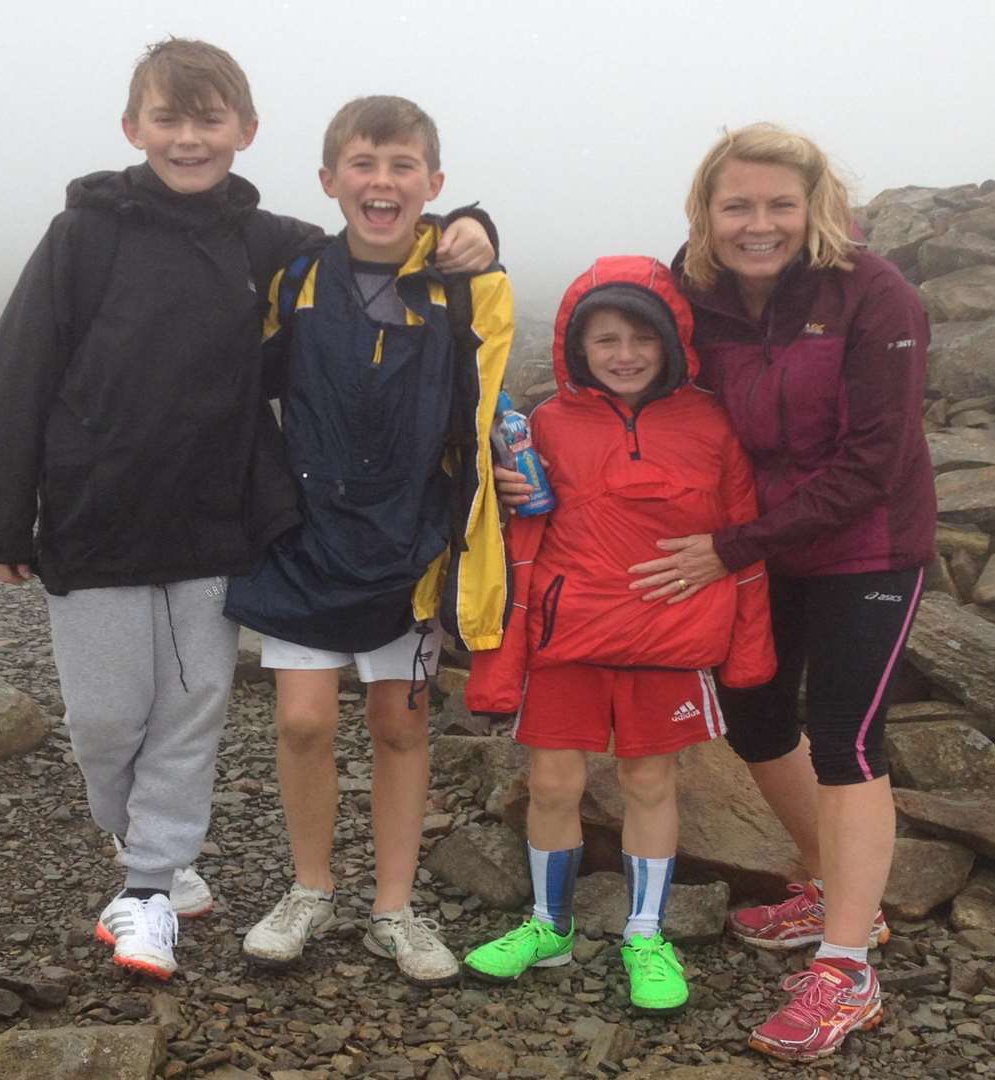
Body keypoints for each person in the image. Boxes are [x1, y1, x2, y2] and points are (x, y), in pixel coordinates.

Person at [0, 41, 493, 981]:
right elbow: (21, 368)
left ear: (246, 132)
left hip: (220, 521)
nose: (190, 138)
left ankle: (150, 887)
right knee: (103, 723)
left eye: (211, 121)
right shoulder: (81, 236)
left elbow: (378, 243)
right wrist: (2, 514)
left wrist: (468, 224)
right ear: (135, 128)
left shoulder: (267, 245)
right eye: (169, 118)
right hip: (96, 516)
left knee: (194, 709)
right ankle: (141, 849)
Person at [497, 124, 934, 1060]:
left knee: (848, 735)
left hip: (865, 543)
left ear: (817, 204)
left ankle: (847, 965)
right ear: (707, 211)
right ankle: (829, 884)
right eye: (738, 205)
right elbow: (620, 350)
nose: (759, 224)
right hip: (752, 540)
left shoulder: (872, 290)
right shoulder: (696, 289)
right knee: (756, 714)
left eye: (781, 204)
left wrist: (727, 547)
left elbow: (877, 459)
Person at [225, 95, 513, 987]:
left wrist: (476, 236)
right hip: (306, 535)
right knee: (304, 720)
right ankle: (310, 888)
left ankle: (395, 906)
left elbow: (481, 413)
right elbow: (236, 383)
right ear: (328, 180)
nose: (380, 183)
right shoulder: (297, 277)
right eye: (362, 165)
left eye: (401, 168)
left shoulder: (476, 287)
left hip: (412, 541)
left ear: (433, 183)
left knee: (399, 725)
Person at [460, 256, 775, 1014]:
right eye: (606, 339)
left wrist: (749, 650)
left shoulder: (712, 424)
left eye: (642, 337)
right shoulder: (543, 425)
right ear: (577, 345)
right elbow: (520, 542)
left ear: (672, 342)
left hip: (670, 640)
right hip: (568, 638)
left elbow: (743, 540)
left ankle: (645, 931)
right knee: (553, 783)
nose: (625, 354)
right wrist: (504, 497)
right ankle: (547, 925)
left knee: (650, 783)